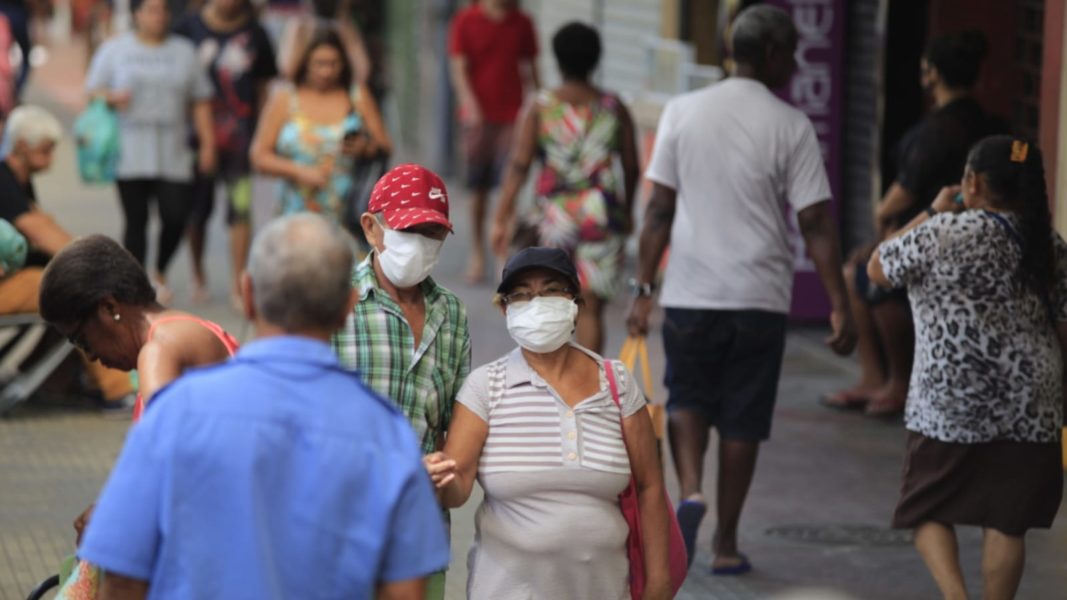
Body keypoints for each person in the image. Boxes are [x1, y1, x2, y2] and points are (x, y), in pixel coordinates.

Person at [75, 214, 450, 599]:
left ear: (248, 293)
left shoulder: (176, 411)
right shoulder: (387, 434)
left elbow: (122, 579)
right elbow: (404, 592)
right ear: (348, 307)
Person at [626, 5, 856, 574]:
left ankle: (690, 490)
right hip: (759, 296)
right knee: (743, 419)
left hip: (690, 292)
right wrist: (839, 304)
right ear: (773, 55)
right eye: (793, 53)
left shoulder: (682, 111)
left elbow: (658, 210)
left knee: (688, 399)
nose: (797, 63)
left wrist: (644, 288)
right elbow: (817, 224)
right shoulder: (792, 125)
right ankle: (726, 543)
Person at [868, 136, 1066, 600]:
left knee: (923, 508)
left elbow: (878, 267)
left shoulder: (942, 233)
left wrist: (935, 210)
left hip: (949, 402)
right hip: (1032, 405)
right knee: (1007, 520)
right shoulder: (1048, 243)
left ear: (972, 183)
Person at [424, 247, 671, 599]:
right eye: (521, 295)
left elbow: (650, 486)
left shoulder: (616, 383)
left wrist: (658, 585)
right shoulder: (485, 387)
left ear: (575, 303)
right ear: (505, 309)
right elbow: (459, 483)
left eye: (552, 290)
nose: (536, 302)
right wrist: (435, 481)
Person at [826, 30, 1004, 416]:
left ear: (932, 73)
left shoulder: (937, 131)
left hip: (932, 239)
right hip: (971, 240)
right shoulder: (984, 123)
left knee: (865, 276)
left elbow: (894, 201)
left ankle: (890, 380)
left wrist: (882, 233)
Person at [332, 163, 469, 600]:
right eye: (411, 231)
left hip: (420, 540)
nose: (423, 246)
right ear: (372, 229)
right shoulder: (335, 304)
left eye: (434, 235)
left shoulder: (452, 315)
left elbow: (453, 435)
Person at [490, 22, 638, 354]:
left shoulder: (542, 107)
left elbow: (519, 164)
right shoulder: (614, 108)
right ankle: (589, 386)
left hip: (554, 215)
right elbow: (631, 166)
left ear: (556, 61)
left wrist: (501, 216)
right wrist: (627, 213)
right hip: (601, 215)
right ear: (596, 60)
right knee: (592, 306)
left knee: (550, 299)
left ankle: (553, 380)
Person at [85, 0, 216, 304]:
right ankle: (137, 283)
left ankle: (160, 269)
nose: (159, 17)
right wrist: (110, 97)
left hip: (173, 150)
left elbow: (201, 100)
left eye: (164, 11)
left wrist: (208, 144)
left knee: (176, 215)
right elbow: (93, 89)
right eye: (151, 10)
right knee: (136, 220)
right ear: (136, 14)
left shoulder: (184, 51)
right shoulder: (116, 49)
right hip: (130, 150)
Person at [0, 105, 133, 405]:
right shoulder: (3, 181)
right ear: (21, 146)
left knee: (59, 287)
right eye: (45, 150)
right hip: (9, 285)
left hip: (14, 280)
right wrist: (99, 264)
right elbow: (39, 231)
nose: (52, 158)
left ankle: (59, 381)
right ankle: (119, 389)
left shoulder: (18, 180)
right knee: (75, 290)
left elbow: (44, 223)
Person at [173, 0, 278, 307]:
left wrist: (262, 134)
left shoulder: (256, 33)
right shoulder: (187, 29)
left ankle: (238, 282)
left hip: (240, 138)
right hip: (195, 137)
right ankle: (198, 275)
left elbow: (264, 86)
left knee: (240, 209)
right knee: (196, 211)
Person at [250, 28, 390, 226]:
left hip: (347, 215)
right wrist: (299, 172)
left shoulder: (357, 96)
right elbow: (259, 156)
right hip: (294, 215)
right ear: (306, 62)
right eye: (319, 63)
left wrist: (365, 148)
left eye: (334, 63)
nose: (327, 71)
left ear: (344, 63)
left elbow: (385, 146)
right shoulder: (286, 98)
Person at [448, 0, 539, 283]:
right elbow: (459, 68)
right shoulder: (466, 20)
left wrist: (540, 106)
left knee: (508, 188)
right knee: (478, 190)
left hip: (513, 117)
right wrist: (469, 104)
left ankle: (505, 258)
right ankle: (477, 253)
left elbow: (531, 69)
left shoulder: (522, 22)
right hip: (478, 118)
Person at [276, 0, 371, 87]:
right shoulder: (300, 26)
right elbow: (287, 71)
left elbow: (362, 72)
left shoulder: (346, 27)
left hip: (337, 95)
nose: (325, 73)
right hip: (304, 94)